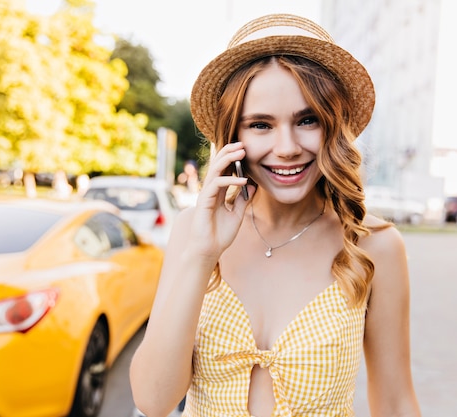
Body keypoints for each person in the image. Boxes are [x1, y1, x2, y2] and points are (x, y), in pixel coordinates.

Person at [130, 13, 421, 417]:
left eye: (307, 120)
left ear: (333, 127)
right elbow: (153, 400)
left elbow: (395, 402)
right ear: (233, 137)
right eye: (261, 125)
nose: (286, 147)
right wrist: (202, 254)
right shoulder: (193, 232)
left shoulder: (375, 245)